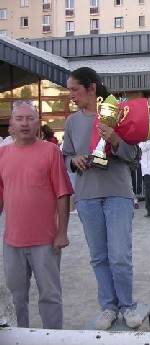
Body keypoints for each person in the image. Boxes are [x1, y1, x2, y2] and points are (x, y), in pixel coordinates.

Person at [62, 67, 143, 330]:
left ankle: (128, 307)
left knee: (120, 255)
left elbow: (134, 156)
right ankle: (108, 307)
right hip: (86, 197)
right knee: (98, 256)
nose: (71, 95)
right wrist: (74, 160)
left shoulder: (119, 113)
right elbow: (65, 157)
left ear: (92, 88)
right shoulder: (72, 122)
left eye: (75, 89)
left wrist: (117, 140)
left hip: (118, 193)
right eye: (69, 90)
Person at [0, 101, 73, 329]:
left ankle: (53, 338)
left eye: (30, 118)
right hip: (12, 242)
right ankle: (19, 338)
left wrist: (62, 233)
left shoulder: (50, 151)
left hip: (46, 242)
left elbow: (63, 193)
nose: (24, 123)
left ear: (38, 124)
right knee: (15, 299)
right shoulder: (1, 154)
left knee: (50, 297)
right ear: (10, 124)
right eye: (19, 119)